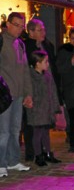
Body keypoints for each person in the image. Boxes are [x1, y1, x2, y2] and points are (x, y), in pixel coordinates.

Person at [0, 12, 33, 177]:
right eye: (17, 25)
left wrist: (28, 93)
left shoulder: (20, 44)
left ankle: (13, 161)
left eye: (22, 26)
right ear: (8, 24)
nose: (20, 29)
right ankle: (1, 163)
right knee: (3, 131)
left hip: (18, 94)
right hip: (4, 95)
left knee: (15, 130)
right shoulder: (1, 42)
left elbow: (25, 70)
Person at [23, 19, 59, 161]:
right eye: (39, 30)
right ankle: (34, 153)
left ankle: (46, 152)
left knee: (45, 129)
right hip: (35, 94)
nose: (43, 32)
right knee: (34, 129)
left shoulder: (47, 45)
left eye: (43, 29)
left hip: (47, 90)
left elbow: (53, 67)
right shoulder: (26, 47)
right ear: (31, 32)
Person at [26, 50, 61, 166]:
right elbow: (30, 93)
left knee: (46, 132)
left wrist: (55, 106)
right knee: (37, 133)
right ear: (37, 63)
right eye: (45, 61)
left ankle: (47, 153)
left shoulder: (47, 75)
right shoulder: (31, 77)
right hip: (37, 110)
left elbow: (53, 92)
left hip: (47, 110)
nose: (48, 64)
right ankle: (38, 155)